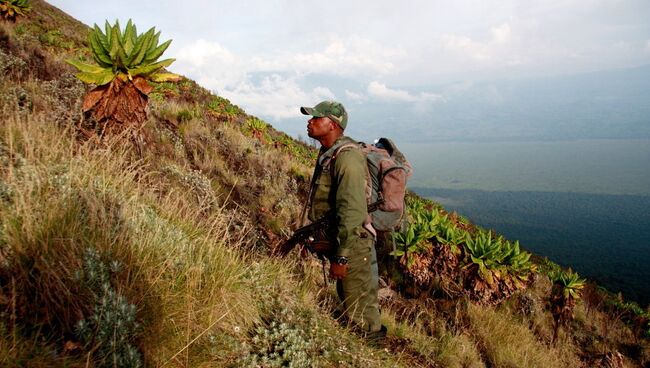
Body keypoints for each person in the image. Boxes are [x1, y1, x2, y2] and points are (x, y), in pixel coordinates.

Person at [300, 100, 386, 343]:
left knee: (359, 304)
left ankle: (371, 348)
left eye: (316, 118)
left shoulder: (346, 158)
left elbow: (352, 212)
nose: (310, 121)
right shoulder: (329, 153)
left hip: (354, 242)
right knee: (351, 298)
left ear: (333, 124)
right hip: (342, 238)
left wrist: (342, 256)